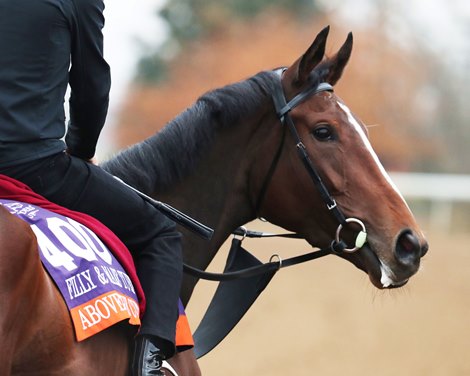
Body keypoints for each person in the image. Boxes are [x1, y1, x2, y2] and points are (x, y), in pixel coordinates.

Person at [0, 0, 182, 374]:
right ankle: (150, 367)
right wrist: (80, 150)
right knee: (161, 235)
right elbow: (92, 89)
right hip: (36, 168)